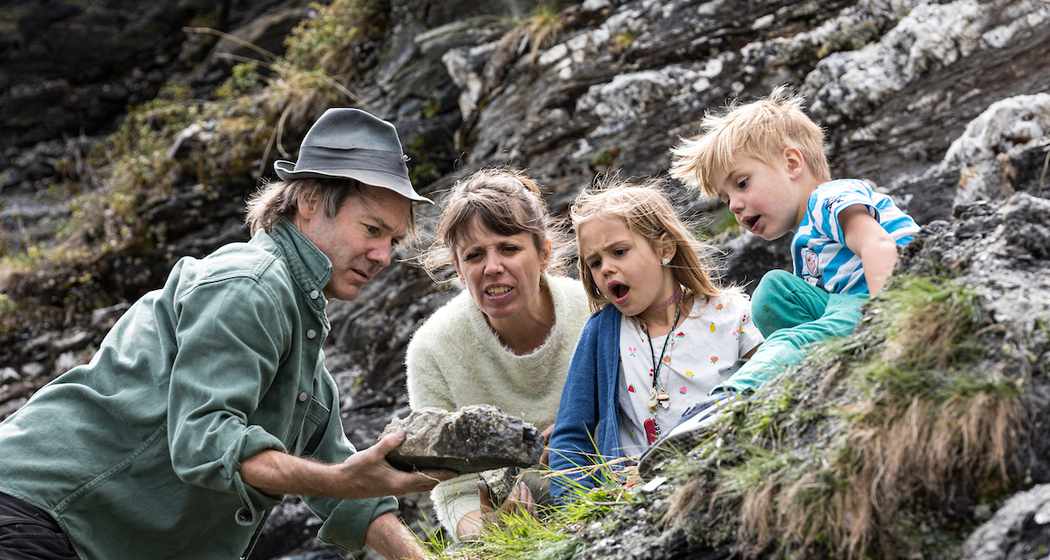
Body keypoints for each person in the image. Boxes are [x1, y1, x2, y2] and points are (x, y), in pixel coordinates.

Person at [0, 108, 456, 560]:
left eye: (393, 241)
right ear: (310, 200)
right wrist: (341, 481)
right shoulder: (250, 285)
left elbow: (351, 490)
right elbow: (206, 440)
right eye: (372, 229)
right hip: (37, 513)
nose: (382, 256)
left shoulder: (304, 355)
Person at [667, 85, 920, 395]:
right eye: (726, 199)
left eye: (742, 183)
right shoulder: (807, 236)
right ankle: (819, 373)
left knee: (789, 341)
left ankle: (728, 402)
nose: (733, 206)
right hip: (847, 306)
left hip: (887, 294)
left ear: (791, 163)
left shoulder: (829, 198)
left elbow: (877, 244)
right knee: (773, 291)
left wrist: (890, 318)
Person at [547, 180, 764, 502]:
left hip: (726, 477)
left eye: (619, 252)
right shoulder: (602, 334)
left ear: (664, 249)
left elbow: (773, 387)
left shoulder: (733, 314)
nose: (606, 268)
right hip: (636, 501)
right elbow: (570, 437)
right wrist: (576, 508)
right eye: (594, 262)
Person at [405, 168, 590, 541]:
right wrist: (489, 529)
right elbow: (450, 487)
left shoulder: (592, 310)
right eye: (474, 255)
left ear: (543, 253)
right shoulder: (432, 350)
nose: (492, 268)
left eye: (509, 248)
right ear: (459, 269)